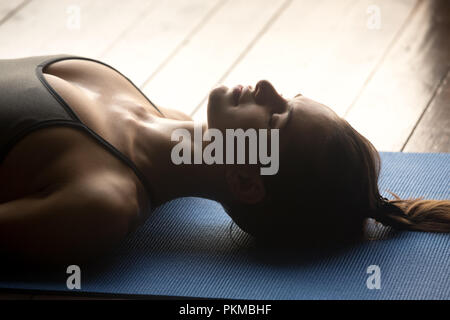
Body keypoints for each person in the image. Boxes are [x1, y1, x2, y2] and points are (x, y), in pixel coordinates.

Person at [0, 55, 448, 266]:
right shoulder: (158, 115)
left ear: (248, 182)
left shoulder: (102, 201)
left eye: (276, 118)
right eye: (290, 97)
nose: (268, 85)